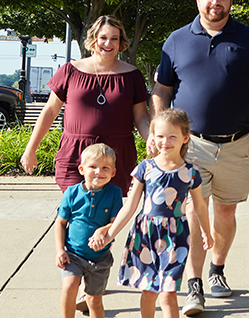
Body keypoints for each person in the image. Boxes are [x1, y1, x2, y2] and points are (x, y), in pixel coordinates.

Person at [151, 0, 249, 317]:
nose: (215, 2)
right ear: (198, 0)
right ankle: (193, 284)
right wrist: (159, 131)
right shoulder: (177, 40)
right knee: (194, 213)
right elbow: (162, 91)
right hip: (191, 145)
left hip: (237, 144)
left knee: (226, 212)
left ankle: (217, 269)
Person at [92, 109, 213, 318]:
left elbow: (200, 206)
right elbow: (130, 206)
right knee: (148, 292)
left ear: (185, 137)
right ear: (153, 137)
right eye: (160, 136)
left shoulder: (190, 173)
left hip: (175, 239)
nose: (165, 141)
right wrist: (110, 233)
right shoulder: (145, 168)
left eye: (172, 136)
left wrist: (206, 232)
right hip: (145, 236)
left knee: (169, 294)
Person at [21, 15, 151, 195]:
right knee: (76, 212)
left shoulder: (132, 75)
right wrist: (31, 149)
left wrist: (153, 142)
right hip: (75, 153)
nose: (108, 43)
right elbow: (50, 111)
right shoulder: (70, 70)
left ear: (121, 42)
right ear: (93, 39)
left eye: (115, 38)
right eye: (103, 37)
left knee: (110, 215)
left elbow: (141, 116)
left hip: (117, 154)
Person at [54, 143, 124, 318]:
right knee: (69, 286)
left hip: (99, 258)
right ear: (82, 169)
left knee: (94, 301)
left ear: (113, 172)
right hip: (73, 254)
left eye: (105, 168)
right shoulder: (72, 193)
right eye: (93, 166)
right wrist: (60, 250)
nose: (99, 172)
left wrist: (103, 231)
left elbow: (115, 222)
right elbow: (60, 223)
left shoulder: (114, 193)